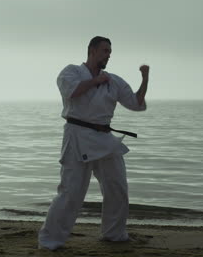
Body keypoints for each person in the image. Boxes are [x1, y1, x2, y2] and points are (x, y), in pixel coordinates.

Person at [38, 36, 149, 250]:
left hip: (105, 139)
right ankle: (50, 241)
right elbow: (73, 92)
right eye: (105, 51)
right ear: (92, 51)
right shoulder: (70, 72)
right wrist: (95, 81)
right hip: (77, 136)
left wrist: (145, 78)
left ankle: (114, 234)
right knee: (71, 192)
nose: (108, 55)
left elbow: (136, 103)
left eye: (110, 52)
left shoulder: (113, 80)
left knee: (117, 187)